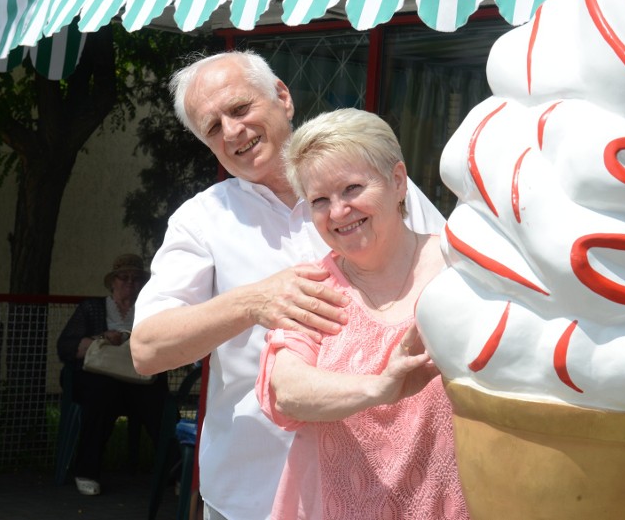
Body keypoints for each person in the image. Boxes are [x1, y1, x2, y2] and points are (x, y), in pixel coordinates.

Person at [131, 51, 445, 520]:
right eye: (213, 127)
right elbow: (147, 349)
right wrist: (253, 303)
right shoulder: (202, 220)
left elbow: (450, 288)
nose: (232, 131)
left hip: (392, 488)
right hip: (256, 487)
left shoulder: (375, 185)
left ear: (282, 95)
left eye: (239, 109)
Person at [255, 108, 467, 519]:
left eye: (351, 188)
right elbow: (288, 390)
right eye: (319, 200)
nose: (337, 212)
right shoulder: (313, 288)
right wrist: (378, 388)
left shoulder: (463, 271)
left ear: (398, 181)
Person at [56, 253, 168, 496]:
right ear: (112, 282)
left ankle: (175, 470)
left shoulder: (149, 311)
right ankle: (86, 470)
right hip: (95, 377)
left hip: (135, 378)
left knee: (157, 395)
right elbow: (65, 346)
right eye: (123, 277)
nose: (130, 283)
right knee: (101, 392)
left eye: (136, 279)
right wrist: (101, 338)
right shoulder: (93, 307)